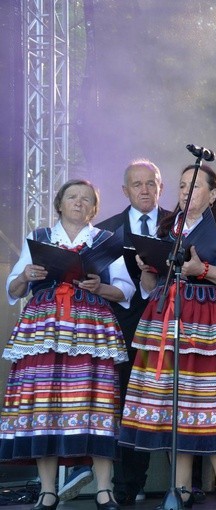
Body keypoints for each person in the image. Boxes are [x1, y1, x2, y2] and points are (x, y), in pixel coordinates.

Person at [119, 164, 216, 510]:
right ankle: (178, 488)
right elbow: (150, 290)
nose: (185, 191)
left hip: (213, 318)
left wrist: (202, 270)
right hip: (169, 315)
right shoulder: (168, 227)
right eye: (181, 186)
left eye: (194, 187)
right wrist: (146, 270)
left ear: (212, 194)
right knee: (174, 402)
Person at [0, 179, 135, 510]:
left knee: (96, 402)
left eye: (87, 199)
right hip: (44, 327)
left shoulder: (105, 241)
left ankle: (105, 489)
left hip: (90, 327)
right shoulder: (41, 239)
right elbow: (13, 289)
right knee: (44, 404)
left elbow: (127, 291)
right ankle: (48, 490)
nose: (79, 202)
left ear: (94, 208)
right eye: (73, 197)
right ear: (59, 204)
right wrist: (25, 276)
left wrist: (99, 286)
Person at [95, 159, 170, 505]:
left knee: (179, 397)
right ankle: (127, 486)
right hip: (126, 326)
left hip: (175, 321)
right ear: (125, 191)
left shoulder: (178, 224)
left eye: (150, 183)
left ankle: (184, 483)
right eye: (136, 184)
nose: (144, 189)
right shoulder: (107, 230)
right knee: (128, 403)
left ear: (160, 187)